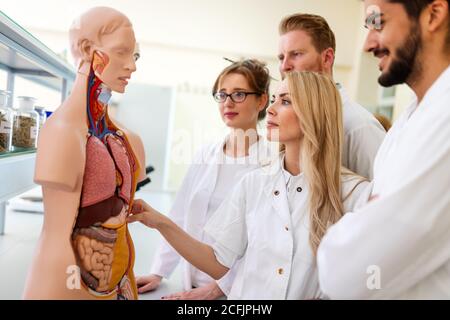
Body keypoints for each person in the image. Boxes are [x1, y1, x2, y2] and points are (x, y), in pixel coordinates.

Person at [128, 71, 371, 299]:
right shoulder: (254, 182)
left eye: (285, 101)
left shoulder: (353, 194)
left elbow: (367, 277)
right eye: (274, 99)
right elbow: (218, 261)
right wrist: (160, 222)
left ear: (315, 113)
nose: (272, 109)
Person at [317, 0, 450, 299]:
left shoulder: (445, 116)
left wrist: (359, 225)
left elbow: (350, 272)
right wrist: (368, 218)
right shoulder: (409, 120)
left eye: (378, 22)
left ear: (434, 15)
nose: (368, 44)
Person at [23, 7, 146, 300]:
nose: (132, 66)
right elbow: (56, 239)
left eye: (136, 56)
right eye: (122, 52)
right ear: (88, 49)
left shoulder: (125, 138)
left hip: (117, 285)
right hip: (66, 288)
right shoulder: (62, 133)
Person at [136, 59, 275, 299]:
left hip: (236, 293)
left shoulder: (270, 165)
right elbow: (179, 216)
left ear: (261, 100)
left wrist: (217, 289)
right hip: (189, 283)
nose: (228, 103)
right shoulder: (206, 153)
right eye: (222, 95)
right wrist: (159, 272)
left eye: (239, 94)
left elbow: (263, 244)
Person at [278, 13, 386, 179]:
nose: (285, 66)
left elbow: (379, 196)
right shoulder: (288, 122)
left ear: (327, 58)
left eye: (296, 54)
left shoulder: (360, 127)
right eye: (281, 57)